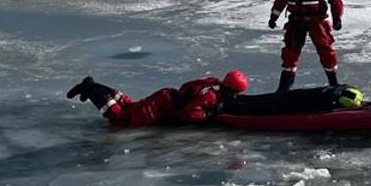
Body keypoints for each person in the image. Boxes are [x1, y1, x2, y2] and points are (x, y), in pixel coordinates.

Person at [268, 0, 345, 92]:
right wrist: (274, 16)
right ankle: (283, 89)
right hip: (296, 22)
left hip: (317, 21)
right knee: (290, 52)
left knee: (326, 49)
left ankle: (333, 83)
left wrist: (337, 18)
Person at [66, 70, 249, 128]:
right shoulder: (210, 95)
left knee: (128, 104)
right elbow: (189, 114)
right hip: (162, 105)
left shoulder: (210, 83)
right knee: (121, 118)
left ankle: (92, 86)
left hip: (165, 97)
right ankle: (90, 89)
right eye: (235, 93)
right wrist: (210, 114)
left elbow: (186, 87)